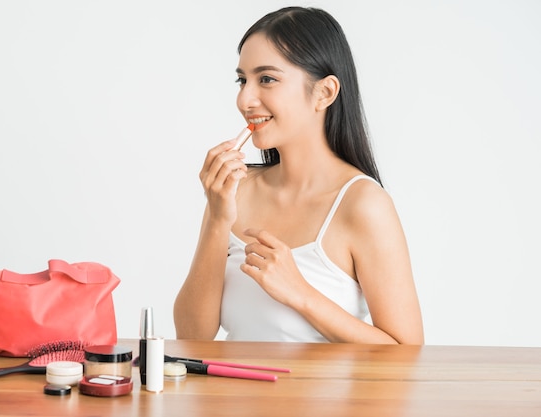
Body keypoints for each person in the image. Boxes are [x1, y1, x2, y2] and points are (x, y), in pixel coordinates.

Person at [173, 6, 424, 344]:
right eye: (242, 80)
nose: (245, 98)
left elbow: (407, 353)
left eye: (267, 79)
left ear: (325, 93)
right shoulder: (234, 190)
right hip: (230, 397)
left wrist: (301, 294)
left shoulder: (364, 204)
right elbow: (191, 336)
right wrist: (218, 218)